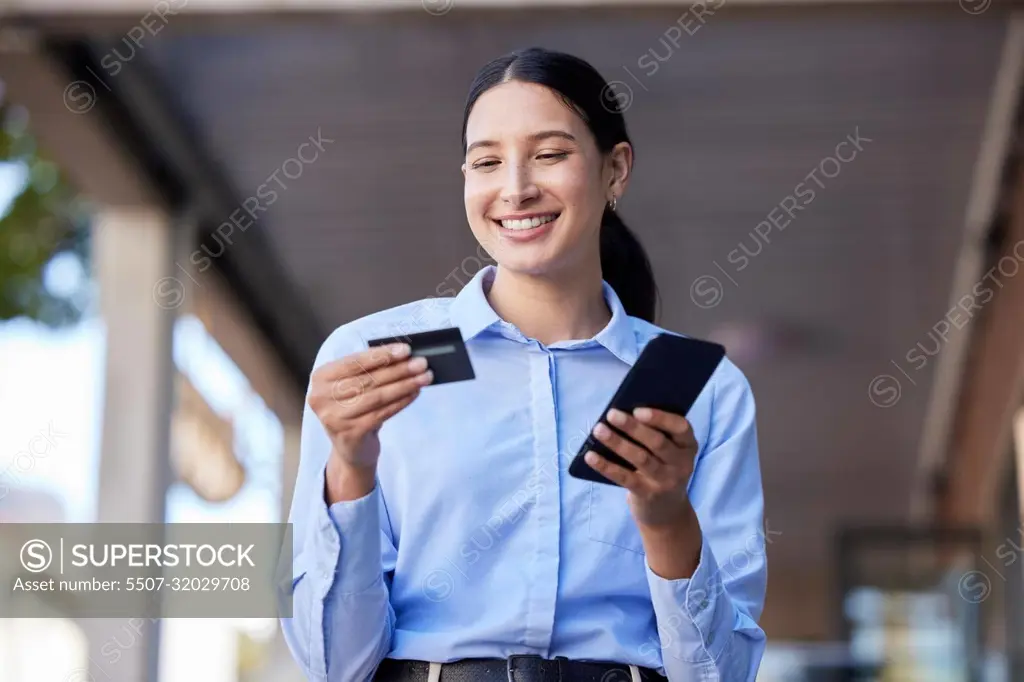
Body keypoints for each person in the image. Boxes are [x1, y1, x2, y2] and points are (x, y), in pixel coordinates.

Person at [280, 46, 767, 682]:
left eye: (550, 154)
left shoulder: (698, 389)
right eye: (487, 161)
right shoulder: (381, 361)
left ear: (615, 169)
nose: (515, 187)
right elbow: (334, 666)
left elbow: (720, 675)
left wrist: (665, 516)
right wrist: (349, 468)